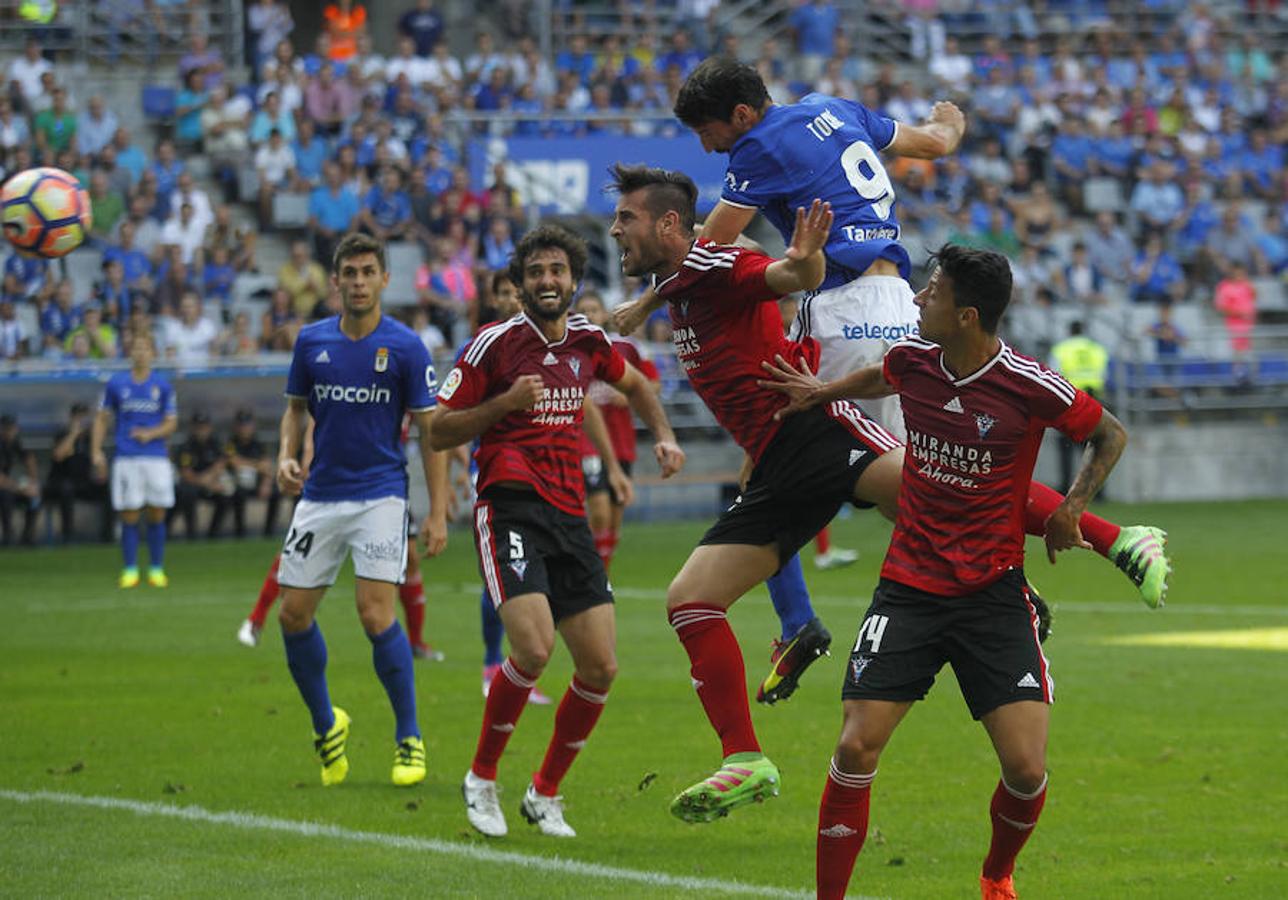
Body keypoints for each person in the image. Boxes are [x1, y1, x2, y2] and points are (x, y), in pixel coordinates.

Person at [761, 245, 1129, 900]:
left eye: (931, 291)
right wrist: (822, 391)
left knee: (1026, 770)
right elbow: (881, 376)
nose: (917, 298)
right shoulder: (915, 358)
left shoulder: (1029, 383)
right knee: (854, 748)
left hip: (993, 595)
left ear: (966, 315)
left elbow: (1110, 434)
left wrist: (1072, 508)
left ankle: (996, 875)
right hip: (908, 590)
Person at [612, 55, 966, 705]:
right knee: (905, 477)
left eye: (709, 131)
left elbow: (705, 254)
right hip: (901, 306)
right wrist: (949, 122)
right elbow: (937, 143)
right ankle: (991, 579)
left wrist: (644, 302)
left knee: (787, 462)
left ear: (742, 114)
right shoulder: (835, 108)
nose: (709, 146)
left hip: (840, 310)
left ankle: (809, 621)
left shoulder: (758, 147)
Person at [607, 163, 905, 824]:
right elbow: (692, 279)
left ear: (668, 223)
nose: (614, 230)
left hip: (812, 431)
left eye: (625, 218)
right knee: (690, 599)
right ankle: (745, 758)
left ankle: (1108, 541)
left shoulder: (719, 264)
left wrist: (805, 260)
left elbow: (786, 276)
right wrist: (647, 304)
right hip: (775, 459)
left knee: (940, 492)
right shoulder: (680, 281)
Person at [429, 224, 684, 839]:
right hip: (509, 509)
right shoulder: (493, 345)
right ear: (520, 286)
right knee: (534, 650)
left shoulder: (590, 341)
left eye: (557, 271)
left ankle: (544, 792)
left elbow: (636, 384)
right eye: (536, 272)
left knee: (600, 667)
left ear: (573, 280)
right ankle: (481, 778)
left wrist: (664, 435)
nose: (548, 280)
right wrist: (503, 404)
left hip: (569, 515)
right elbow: (437, 429)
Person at [273, 232, 449, 789]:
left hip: (381, 495)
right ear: (335, 281)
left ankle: (409, 737)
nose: (358, 282)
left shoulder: (406, 347)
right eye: (349, 273)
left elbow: (432, 433)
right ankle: (328, 724)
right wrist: (285, 455)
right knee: (291, 616)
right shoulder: (311, 341)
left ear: (384, 279)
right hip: (321, 494)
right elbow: (295, 410)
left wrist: (437, 511)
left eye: (368, 272)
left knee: (375, 615)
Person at [573, 291, 660, 572]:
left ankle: (601, 574)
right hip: (586, 442)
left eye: (593, 309)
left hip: (621, 440)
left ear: (603, 314)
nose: (589, 315)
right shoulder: (570, 348)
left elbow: (653, 384)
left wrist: (629, 395)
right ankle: (592, 572)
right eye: (583, 310)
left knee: (614, 516)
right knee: (598, 510)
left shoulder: (626, 347)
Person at [91, 333, 178, 588]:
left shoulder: (162, 385)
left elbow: (172, 422)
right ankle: (130, 569)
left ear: (152, 353)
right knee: (129, 512)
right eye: (136, 348)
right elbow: (101, 418)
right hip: (126, 457)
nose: (140, 352)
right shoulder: (116, 383)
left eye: (145, 348)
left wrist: (150, 434)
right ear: (131, 353)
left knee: (157, 511)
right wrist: (96, 450)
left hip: (156, 457)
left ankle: (156, 569)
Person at [1050, 322, 1109, 494]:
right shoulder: (1097, 349)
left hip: (1070, 401)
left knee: (1065, 448)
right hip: (1093, 400)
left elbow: (1053, 375)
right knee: (1093, 448)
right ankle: (1098, 491)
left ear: (1069, 331)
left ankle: (1065, 487)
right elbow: (1104, 375)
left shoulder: (1061, 349)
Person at [43, 402, 112, 543]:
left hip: (82, 482)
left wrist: (101, 472)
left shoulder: (90, 439)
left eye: (85, 416)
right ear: (72, 417)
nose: (83, 420)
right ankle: (67, 535)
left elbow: (100, 464)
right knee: (66, 489)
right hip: (59, 483)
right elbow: (58, 455)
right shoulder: (62, 434)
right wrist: (74, 434)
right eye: (79, 416)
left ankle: (107, 535)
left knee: (108, 490)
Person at [170, 410, 233, 538]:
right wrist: (205, 482)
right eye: (198, 427)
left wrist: (212, 480)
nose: (202, 430)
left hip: (210, 483)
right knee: (187, 493)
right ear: (192, 427)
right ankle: (192, 534)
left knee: (226, 496)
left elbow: (222, 462)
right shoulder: (186, 446)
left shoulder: (215, 443)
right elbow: (186, 474)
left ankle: (213, 534)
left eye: (204, 426)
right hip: (192, 484)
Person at [0, 413, 39, 546]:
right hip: (5, 488)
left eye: (12, 428)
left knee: (34, 498)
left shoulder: (16, 443)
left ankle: (28, 537)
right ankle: (8, 537)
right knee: (5, 497)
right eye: (6, 428)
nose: (10, 431)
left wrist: (32, 483)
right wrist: (20, 488)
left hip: (10, 486)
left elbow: (30, 460)